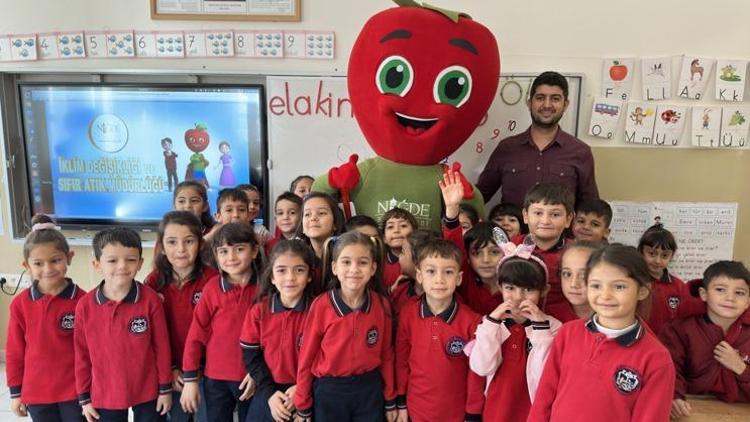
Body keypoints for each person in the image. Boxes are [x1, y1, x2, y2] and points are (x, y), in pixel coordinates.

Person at [527, 244, 675, 421]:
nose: (605, 295)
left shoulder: (656, 358)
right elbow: (544, 397)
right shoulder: (568, 333)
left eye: (619, 287)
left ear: (642, 290)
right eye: (596, 285)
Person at [293, 232, 396, 422]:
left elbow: (387, 354)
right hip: (329, 392)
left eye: (362, 262)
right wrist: (302, 402)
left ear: (373, 268)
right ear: (334, 267)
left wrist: (390, 398)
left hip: (369, 390)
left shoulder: (382, 305)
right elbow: (306, 357)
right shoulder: (321, 305)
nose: (354, 269)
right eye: (346, 262)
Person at [74, 228, 172, 421]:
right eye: (112, 260)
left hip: (148, 391)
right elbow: (81, 354)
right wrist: (84, 398)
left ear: (140, 263)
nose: (122, 266)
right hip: (105, 392)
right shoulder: (85, 305)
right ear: (97, 264)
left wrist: (165, 389)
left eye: (130, 259)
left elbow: (162, 347)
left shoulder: (151, 300)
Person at [466, 241, 561, 421]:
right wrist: (492, 323)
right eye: (510, 288)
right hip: (496, 411)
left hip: (533, 413)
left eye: (528, 289)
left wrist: (541, 329)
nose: (518, 297)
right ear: (500, 287)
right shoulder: (490, 324)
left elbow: (545, 379)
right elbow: (481, 367)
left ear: (543, 291)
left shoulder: (554, 328)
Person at [476, 71, 599, 208]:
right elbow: (481, 196)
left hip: (560, 230)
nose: (547, 105)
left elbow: (590, 208)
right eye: (540, 98)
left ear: (565, 105)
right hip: (512, 230)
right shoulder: (507, 148)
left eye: (555, 99)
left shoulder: (580, 152)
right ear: (529, 103)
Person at [6, 215, 85, 421]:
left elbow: (94, 350)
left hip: (76, 392)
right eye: (38, 263)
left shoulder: (84, 301)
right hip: (37, 393)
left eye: (55, 260)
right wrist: (16, 393)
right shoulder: (20, 304)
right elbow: (15, 352)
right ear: (27, 265)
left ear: (69, 257)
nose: (48, 269)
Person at [395, 238, 484, 422]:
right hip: (416, 410)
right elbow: (401, 361)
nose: (439, 280)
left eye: (448, 272)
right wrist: (401, 402)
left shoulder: (473, 321)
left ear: (459, 278)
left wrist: (473, 412)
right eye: (431, 271)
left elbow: (475, 373)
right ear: (419, 276)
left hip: (456, 413)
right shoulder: (408, 313)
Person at [144, 211, 219, 422]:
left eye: (189, 241)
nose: (181, 250)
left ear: (201, 244)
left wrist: (195, 373)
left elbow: (218, 333)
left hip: (207, 373)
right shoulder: (153, 282)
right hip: (171, 373)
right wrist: (171, 370)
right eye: (172, 242)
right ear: (161, 246)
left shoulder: (213, 280)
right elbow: (151, 336)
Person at [180, 223, 260, 422]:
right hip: (216, 379)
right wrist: (190, 379)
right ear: (216, 256)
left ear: (255, 251)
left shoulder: (266, 288)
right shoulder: (212, 288)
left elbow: (273, 338)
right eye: (223, 251)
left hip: (252, 377)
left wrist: (260, 373)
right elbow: (196, 334)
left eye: (239, 249)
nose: (231, 258)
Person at [660, 261, 750, 418]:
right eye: (720, 290)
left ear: (748, 301)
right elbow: (669, 369)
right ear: (704, 294)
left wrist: (741, 368)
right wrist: (674, 396)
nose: (730, 298)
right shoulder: (679, 329)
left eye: (740, 293)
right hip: (693, 408)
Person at [241, 240, 315, 422]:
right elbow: (251, 356)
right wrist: (270, 394)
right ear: (272, 277)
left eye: (299, 270)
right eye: (281, 270)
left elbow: (325, 356)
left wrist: (302, 388)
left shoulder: (319, 310)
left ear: (309, 275)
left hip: (308, 388)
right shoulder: (259, 311)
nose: (290, 277)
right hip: (268, 389)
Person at [638, 224, 703, 335]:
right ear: (641, 252)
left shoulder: (678, 286)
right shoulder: (635, 283)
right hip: (641, 343)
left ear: (671, 257)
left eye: (664, 255)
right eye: (652, 253)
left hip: (669, 346)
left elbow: (688, 315)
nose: (657, 260)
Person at [517, 182, 574, 308]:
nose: (545, 221)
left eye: (555, 214)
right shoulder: (509, 247)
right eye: (538, 213)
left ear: (568, 219)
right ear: (525, 216)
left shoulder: (576, 253)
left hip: (562, 321)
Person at [545, 241, 600, 322]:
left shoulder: (614, 317)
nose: (574, 284)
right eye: (567, 274)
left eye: (584, 275)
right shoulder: (549, 315)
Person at [382, 208, 419, 290]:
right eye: (390, 227)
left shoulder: (422, 261)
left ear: (415, 232)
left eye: (403, 226)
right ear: (384, 238)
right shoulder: (379, 264)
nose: (396, 230)